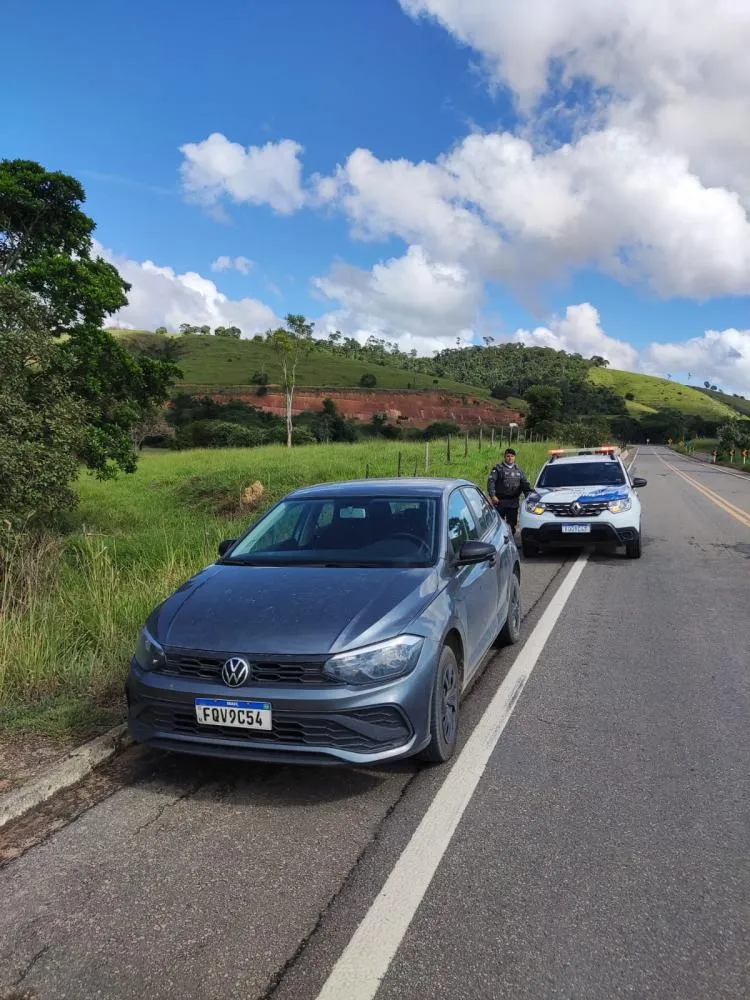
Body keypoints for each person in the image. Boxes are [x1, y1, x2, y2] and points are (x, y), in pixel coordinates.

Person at [487, 447, 532, 533]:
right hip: (500, 502)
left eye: (512, 456)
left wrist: (529, 497)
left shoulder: (519, 470)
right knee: (498, 524)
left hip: (513, 502)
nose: (510, 458)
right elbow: (491, 482)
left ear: (514, 457)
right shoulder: (498, 469)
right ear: (504, 457)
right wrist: (492, 495)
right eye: (508, 456)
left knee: (511, 525)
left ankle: (510, 543)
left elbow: (525, 485)